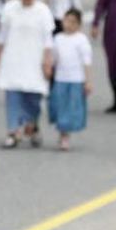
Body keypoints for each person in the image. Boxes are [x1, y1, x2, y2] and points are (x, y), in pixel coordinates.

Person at [0, 0, 55, 148]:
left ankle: (32, 125)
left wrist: (47, 62)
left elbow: (48, 41)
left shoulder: (43, 11)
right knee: (13, 94)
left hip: (35, 60)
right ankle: (13, 130)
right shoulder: (10, 9)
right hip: (13, 58)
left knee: (33, 97)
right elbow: (1, 38)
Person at [47, 8, 91, 151]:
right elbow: (53, 58)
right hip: (60, 78)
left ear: (78, 24)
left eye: (73, 22)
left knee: (70, 108)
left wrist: (87, 80)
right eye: (67, 21)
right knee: (59, 106)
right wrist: (49, 70)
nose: (69, 24)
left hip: (76, 79)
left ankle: (65, 135)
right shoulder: (58, 38)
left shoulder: (81, 40)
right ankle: (62, 131)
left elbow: (86, 61)